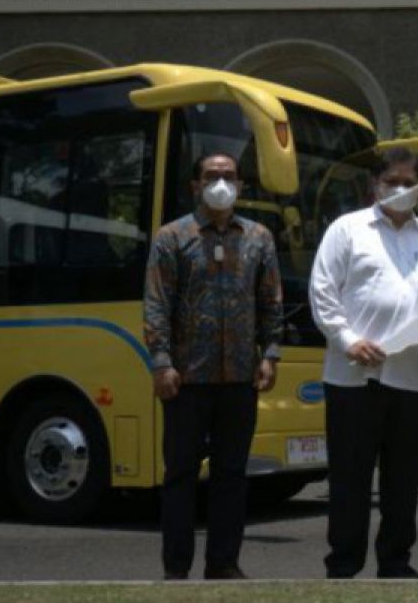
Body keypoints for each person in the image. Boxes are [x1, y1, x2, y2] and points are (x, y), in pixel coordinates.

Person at [309, 147, 418, 579]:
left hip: (413, 379)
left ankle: (396, 562)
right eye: (392, 181)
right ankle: (343, 566)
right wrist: (347, 340)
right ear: (375, 184)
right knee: (350, 479)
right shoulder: (347, 230)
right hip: (354, 376)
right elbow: (323, 292)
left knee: (403, 480)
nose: (401, 189)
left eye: (410, 182)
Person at [144, 152, 282, 581]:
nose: (220, 183)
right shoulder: (172, 237)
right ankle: (176, 567)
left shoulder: (259, 237)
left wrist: (270, 353)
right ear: (194, 186)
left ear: (240, 185)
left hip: (240, 377)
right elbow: (156, 303)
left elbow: (271, 300)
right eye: (211, 176)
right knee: (180, 475)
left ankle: (224, 563)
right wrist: (162, 363)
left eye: (228, 176)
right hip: (186, 379)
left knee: (232, 476)